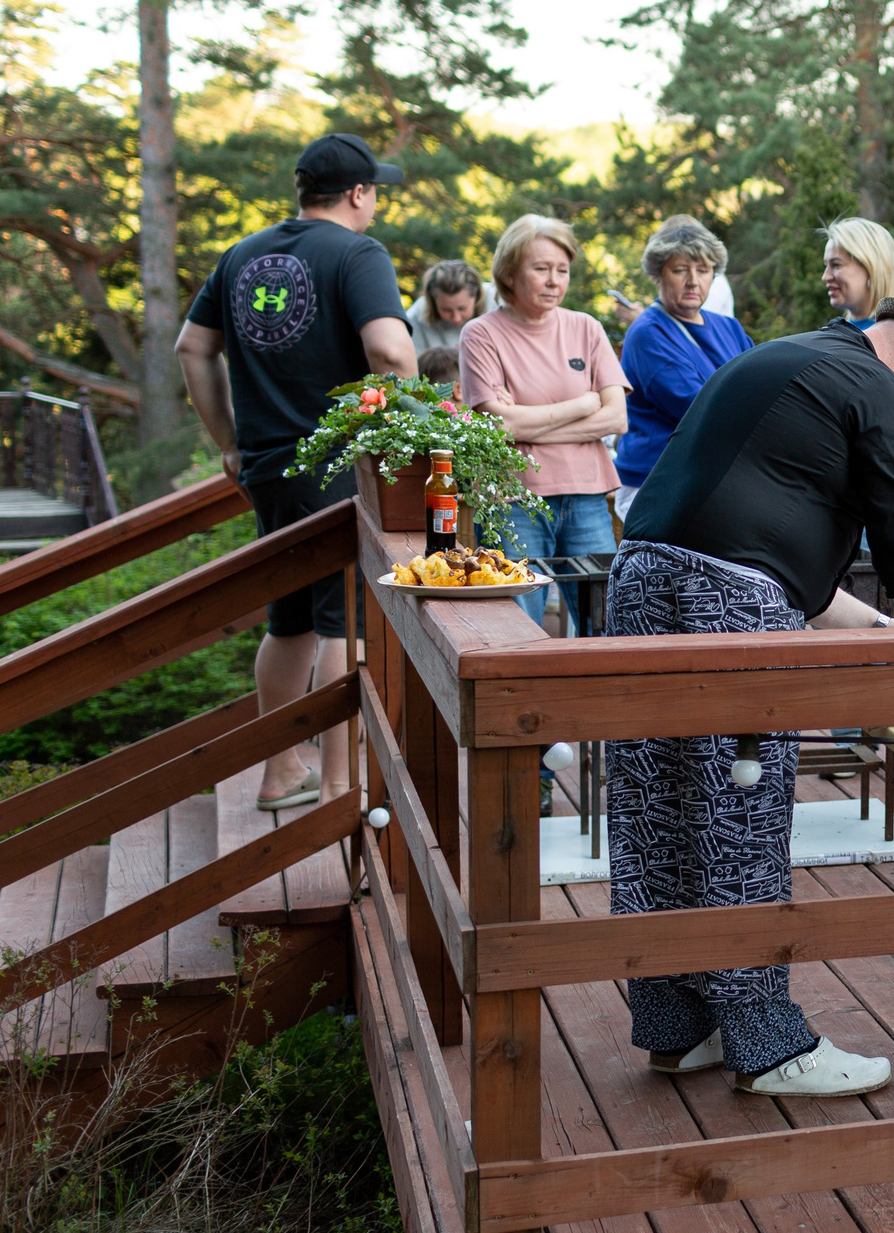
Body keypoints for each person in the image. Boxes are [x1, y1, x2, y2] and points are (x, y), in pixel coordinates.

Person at [611, 291, 894, 1098]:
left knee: (658, 807)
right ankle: (768, 1045)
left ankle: (679, 1028)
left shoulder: (786, 357)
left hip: (642, 578)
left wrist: (893, 637)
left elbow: (799, 576)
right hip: (729, 608)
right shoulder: (879, 388)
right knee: (739, 816)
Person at [177, 132, 416, 813]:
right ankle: (343, 788)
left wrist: (228, 441)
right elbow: (391, 353)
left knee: (290, 619)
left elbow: (193, 346)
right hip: (339, 464)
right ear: (359, 193)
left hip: (269, 465)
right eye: (376, 192)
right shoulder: (358, 252)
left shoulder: (243, 253)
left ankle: (283, 770)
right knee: (345, 621)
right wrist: (405, 430)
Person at [459, 215, 627, 626]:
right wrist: (583, 403)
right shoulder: (481, 335)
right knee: (517, 624)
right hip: (512, 500)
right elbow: (498, 428)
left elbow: (617, 418)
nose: (554, 280)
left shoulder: (586, 327)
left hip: (587, 496)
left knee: (604, 622)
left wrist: (525, 420)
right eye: (541, 269)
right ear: (510, 273)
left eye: (562, 270)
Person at [614, 216, 754, 520]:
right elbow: (695, 404)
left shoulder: (728, 327)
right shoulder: (647, 332)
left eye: (703, 271)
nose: (693, 281)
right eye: (680, 270)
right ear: (658, 274)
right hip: (660, 482)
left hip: (714, 477)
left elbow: (761, 387)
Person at [822, 218, 894, 325]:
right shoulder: (837, 333)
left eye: (836, 265)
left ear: (871, 269)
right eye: (826, 265)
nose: (825, 277)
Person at [406, 260, 488, 356]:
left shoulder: (498, 303)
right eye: (446, 310)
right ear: (433, 302)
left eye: (462, 308)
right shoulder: (415, 319)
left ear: (477, 297)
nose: (456, 318)